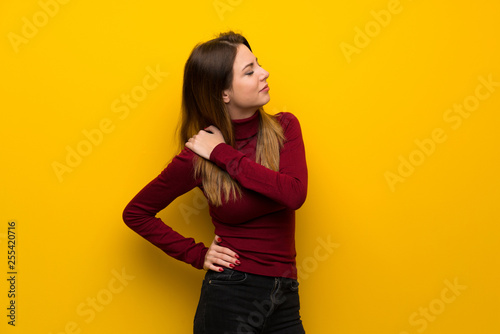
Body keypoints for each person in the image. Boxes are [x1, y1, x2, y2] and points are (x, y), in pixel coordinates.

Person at [122, 31, 308, 333]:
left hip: (285, 294)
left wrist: (222, 153)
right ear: (224, 93)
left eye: (258, 64)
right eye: (250, 71)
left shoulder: (284, 127)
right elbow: (136, 213)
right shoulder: (196, 157)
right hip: (230, 294)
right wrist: (197, 255)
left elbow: (294, 193)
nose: (264, 73)